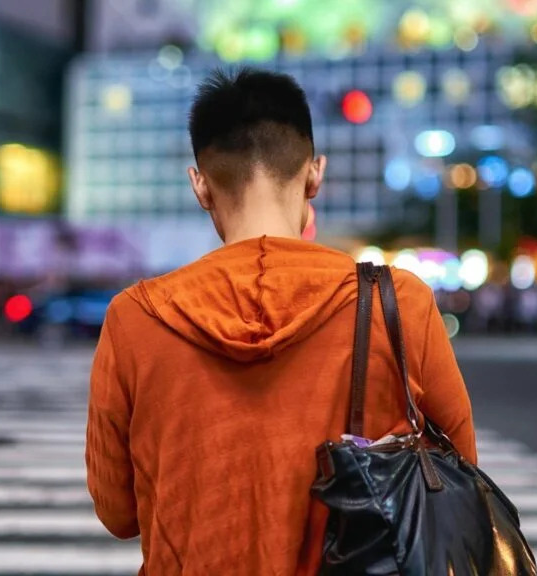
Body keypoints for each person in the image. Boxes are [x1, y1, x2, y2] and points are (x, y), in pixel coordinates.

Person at [85, 68, 477, 575]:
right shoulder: (396, 302)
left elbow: (118, 513)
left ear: (200, 185)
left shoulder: (136, 318)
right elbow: (458, 474)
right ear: (315, 173)